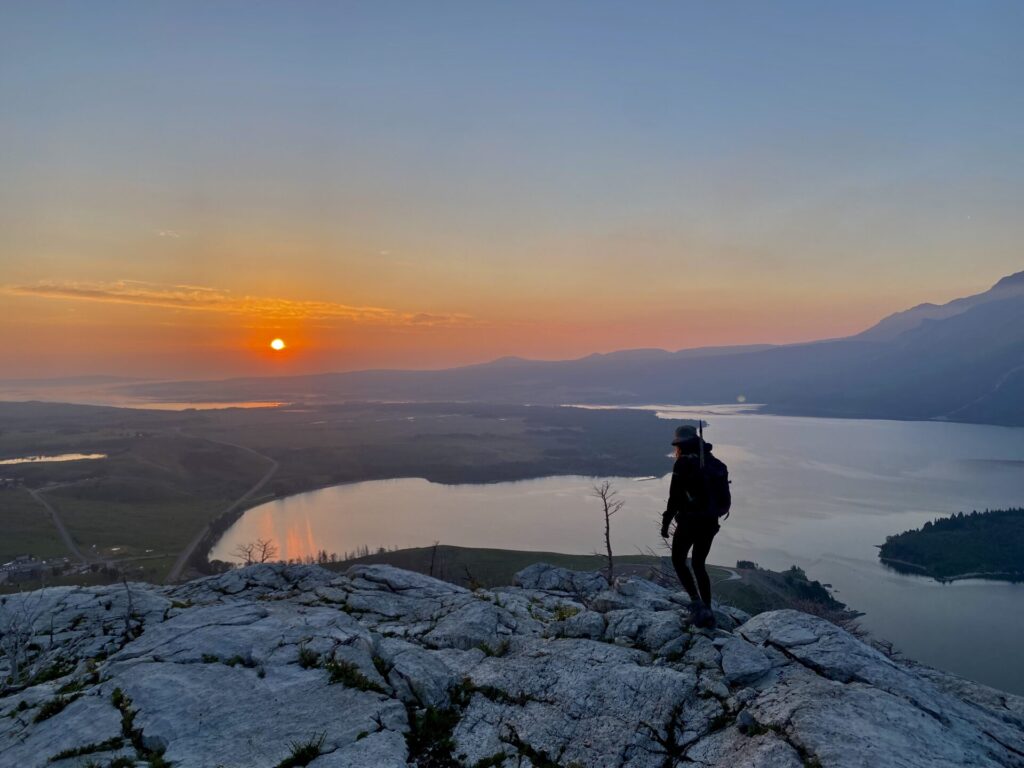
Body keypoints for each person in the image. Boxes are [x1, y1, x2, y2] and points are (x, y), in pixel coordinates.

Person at [660, 424, 730, 629]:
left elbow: (674, 499)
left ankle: (697, 607)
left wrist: (666, 522)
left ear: (680, 445)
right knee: (699, 564)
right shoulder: (713, 462)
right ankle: (708, 612)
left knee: (678, 560)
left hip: (690, 522)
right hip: (710, 523)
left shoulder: (682, 464)